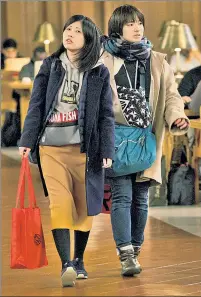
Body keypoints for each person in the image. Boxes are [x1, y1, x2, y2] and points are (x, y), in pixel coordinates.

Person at [18, 15, 115, 287]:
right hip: (51, 147)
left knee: (85, 207)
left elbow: (106, 115)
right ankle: (66, 265)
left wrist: (107, 148)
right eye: (68, 29)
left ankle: (79, 260)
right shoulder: (50, 66)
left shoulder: (98, 71)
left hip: (86, 150)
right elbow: (36, 105)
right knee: (60, 203)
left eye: (77, 31)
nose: (70, 34)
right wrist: (27, 140)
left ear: (89, 40)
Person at [101, 5, 189, 277]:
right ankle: (125, 253)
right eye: (130, 24)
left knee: (141, 198)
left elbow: (172, 96)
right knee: (122, 196)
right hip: (116, 138)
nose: (137, 28)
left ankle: (134, 250)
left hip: (147, 139)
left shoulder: (158, 60)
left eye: (139, 23)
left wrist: (176, 117)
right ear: (118, 28)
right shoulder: (102, 60)